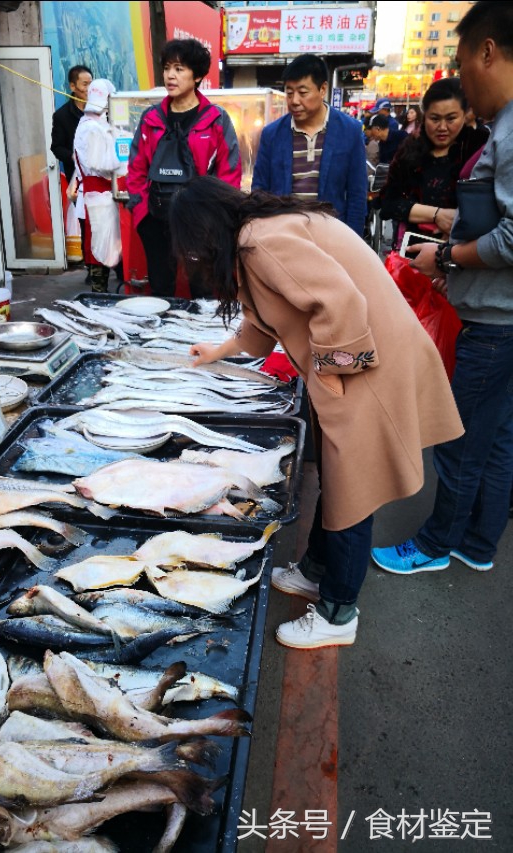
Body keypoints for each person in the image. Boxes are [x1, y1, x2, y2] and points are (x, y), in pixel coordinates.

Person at [168, 176, 463, 649]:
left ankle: (338, 612)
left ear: (205, 231)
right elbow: (263, 318)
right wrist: (218, 350)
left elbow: (341, 303)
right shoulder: (254, 237)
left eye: (192, 247)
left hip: (366, 363)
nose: (195, 259)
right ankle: (317, 570)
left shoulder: (260, 240)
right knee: (338, 475)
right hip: (358, 362)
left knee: (355, 488)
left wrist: (329, 374)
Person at [371, 0, 512, 575]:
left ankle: (433, 546)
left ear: (487, 51)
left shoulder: (508, 135)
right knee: (497, 437)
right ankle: (478, 545)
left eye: (461, 60)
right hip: (499, 315)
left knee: (456, 439)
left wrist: (446, 254)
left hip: (491, 320)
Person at [127, 38, 241, 298]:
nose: (170, 75)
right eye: (167, 68)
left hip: (199, 222)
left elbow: (229, 172)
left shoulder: (216, 119)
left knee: (203, 289)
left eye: (179, 69)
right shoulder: (150, 118)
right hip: (155, 218)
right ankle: (161, 338)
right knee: (160, 288)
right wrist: (141, 212)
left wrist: (214, 218)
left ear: (197, 75)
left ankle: (202, 339)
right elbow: (135, 168)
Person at [252, 55, 367, 237]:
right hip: (285, 237)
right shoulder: (272, 134)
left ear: (322, 89)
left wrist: (352, 244)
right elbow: (259, 191)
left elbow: (357, 197)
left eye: (303, 93)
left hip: (332, 237)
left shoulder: (349, 131)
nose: (295, 100)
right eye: (289, 93)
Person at [380, 77, 489, 244]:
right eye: (435, 119)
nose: (442, 127)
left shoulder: (479, 147)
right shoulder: (410, 149)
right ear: (424, 116)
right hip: (411, 255)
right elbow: (388, 204)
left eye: (451, 118)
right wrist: (438, 215)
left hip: (464, 256)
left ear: (464, 115)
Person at [72, 78, 121, 293]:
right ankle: (99, 295)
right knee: (100, 246)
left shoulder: (92, 125)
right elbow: (102, 164)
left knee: (104, 242)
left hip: (100, 193)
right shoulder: (91, 129)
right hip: (98, 194)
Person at [50, 65, 93, 181]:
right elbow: (57, 147)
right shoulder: (62, 116)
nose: (89, 89)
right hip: (77, 178)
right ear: (73, 86)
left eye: (91, 84)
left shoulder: (102, 111)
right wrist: (73, 157)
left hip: (102, 176)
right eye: (85, 84)